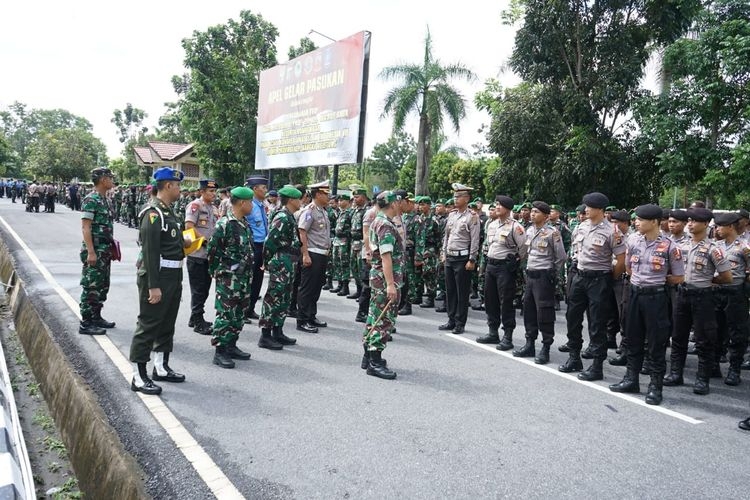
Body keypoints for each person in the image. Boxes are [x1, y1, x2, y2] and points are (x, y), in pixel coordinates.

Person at [609, 204, 685, 405]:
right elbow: (628, 267)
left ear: (654, 222)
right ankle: (631, 379)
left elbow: (678, 277)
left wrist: (654, 283)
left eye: (640, 220)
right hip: (634, 293)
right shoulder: (633, 240)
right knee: (632, 337)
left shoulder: (669, 246)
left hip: (656, 297)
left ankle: (655, 387)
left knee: (656, 342)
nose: (636, 222)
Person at [129, 167, 192, 395]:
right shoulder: (153, 213)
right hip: (158, 275)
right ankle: (138, 375)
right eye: (177, 185)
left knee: (166, 323)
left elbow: (171, 242)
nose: (180, 190)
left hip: (173, 274)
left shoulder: (169, 212)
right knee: (149, 324)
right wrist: (153, 286)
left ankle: (161, 366)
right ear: (167, 186)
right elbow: (150, 252)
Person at [664, 207, 732, 395]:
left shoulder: (713, 248)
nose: (690, 224)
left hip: (703, 297)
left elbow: (727, 277)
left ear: (705, 224)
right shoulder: (680, 246)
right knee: (678, 336)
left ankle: (702, 379)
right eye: (689, 221)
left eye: (694, 221)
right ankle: (675, 374)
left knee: (704, 340)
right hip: (682, 294)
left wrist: (710, 280)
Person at [559, 192, 626, 381]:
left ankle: (597, 366)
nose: (585, 210)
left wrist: (608, 278)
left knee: (597, 324)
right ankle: (574, 357)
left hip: (599, 279)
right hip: (580, 277)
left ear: (600, 209)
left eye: (589, 207)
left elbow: (621, 260)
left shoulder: (612, 231)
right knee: (572, 318)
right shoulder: (581, 227)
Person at [206, 186, 255, 368]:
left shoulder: (243, 223)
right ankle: (220, 351)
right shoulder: (225, 224)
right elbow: (212, 251)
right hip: (229, 278)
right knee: (226, 314)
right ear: (242, 203)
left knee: (239, 313)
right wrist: (218, 273)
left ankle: (231, 345)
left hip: (243, 278)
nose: (252, 206)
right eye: (250, 202)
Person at [513, 201, 566, 364]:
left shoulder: (552, 233)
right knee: (528, 310)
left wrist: (551, 273)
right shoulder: (529, 230)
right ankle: (529, 343)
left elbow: (561, 257)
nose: (532, 214)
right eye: (532, 211)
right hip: (530, 275)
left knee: (544, 313)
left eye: (536, 212)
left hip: (544, 276)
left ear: (545, 215)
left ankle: (546, 347)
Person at [362, 191, 402, 380]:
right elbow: (386, 257)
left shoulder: (377, 220)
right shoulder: (385, 225)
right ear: (392, 204)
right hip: (384, 278)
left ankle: (368, 355)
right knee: (384, 319)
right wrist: (391, 285)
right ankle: (374, 362)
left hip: (377, 277)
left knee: (374, 315)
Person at [476, 196, 526, 346]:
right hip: (491, 265)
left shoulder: (515, 227)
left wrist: (516, 260)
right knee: (490, 299)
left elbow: (524, 247)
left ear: (508, 209)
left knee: (506, 302)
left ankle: (508, 336)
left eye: (500, 205)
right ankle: (493, 332)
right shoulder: (491, 225)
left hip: (505, 267)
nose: (497, 207)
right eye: (496, 204)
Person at [258, 185, 303, 348]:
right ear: (291, 200)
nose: (301, 202)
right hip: (281, 261)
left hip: (289, 261)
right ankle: (265, 334)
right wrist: (268, 261)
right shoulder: (282, 217)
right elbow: (270, 242)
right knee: (274, 298)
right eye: (298, 199)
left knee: (284, 298)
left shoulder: (290, 216)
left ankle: (278, 330)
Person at [711, 212, 749, 386]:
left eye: (720, 226)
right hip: (716, 291)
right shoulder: (715, 245)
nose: (716, 229)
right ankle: (715, 364)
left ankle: (734, 369)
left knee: (736, 332)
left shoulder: (744, 247)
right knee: (716, 330)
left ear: (731, 227)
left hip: (735, 293)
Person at [78, 168, 117, 335]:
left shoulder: (106, 200)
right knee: (91, 285)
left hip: (105, 250)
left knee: (102, 285)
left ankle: (96, 316)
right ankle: (86, 323)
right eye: (110, 177)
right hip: (95, 250)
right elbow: (85, 227)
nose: (112, 180)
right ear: (102, 180)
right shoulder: (91, 199)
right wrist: (91, 252)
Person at [439, 183, 480, 335]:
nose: (455, 199)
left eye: (459, 196)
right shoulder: (452, 215)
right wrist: (443, 253)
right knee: (450, 291)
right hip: (450, 256)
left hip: (463, 258)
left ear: (467, 198)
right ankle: (451, 319)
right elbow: (446, 236)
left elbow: (475, 239)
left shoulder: (472, 217)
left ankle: (460, 322)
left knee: (461, 292)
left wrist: (472, 259)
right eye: (454, 196)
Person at [184, 179, 219, 335]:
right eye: (210, 191)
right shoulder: (195, 206)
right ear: (202, 191)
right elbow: (189, 227)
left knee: (204, 289)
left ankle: (194, 317)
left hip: (208, 256)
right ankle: (198, 321)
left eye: (214, 191)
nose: (213, 194)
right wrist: (204, 240)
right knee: (198, 290)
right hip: (197, 254)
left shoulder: (213, 208)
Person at [296, 180, 332, 333]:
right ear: (317, 194)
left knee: (316, 287)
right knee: (307, 288)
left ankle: (311, 315)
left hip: (322, 253)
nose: (328, 196)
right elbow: (302, 231)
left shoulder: (322, 210)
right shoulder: (309, 210)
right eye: (326, 193)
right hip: (312, 252)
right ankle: (302, 319)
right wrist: (305, 254)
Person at [244, 175, 270, 321]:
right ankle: (244, 309)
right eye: (263, 188)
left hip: (262, 246)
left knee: (258, 279)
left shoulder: (260, 205)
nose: (266, 190)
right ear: (255, 189)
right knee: (250, 279)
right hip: (253, 245)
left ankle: (251, 308)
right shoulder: (249, 205)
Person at [416, 196, 441, 308]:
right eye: (420, 205)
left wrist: (438, 252)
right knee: (419, 273)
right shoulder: (419, 219)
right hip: (420, 249)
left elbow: (439, 237)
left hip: (430, 250)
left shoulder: (434, 221)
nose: (421, 207)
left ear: (429, 206)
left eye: (423, 205)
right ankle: (418, 294)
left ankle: (431, 297)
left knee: (429, 273)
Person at [348, 186, 369, 301]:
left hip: (361, 242)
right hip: (353, 242)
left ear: (364, 197)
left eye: (357, 197)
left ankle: (363, 291)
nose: (355, 199)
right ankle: (358, 289)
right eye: (354, 197)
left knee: (362, 268)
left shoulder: (367, 211)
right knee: (354, 267)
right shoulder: (355, 211)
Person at [330, 193, 353, 296]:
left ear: (348, 202)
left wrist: (345, 234)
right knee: (337, 263)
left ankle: (345, 286)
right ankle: (339, 285)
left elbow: (351, 229)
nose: (339, 202)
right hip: (337, 241)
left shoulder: (349, 213)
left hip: (344, 241)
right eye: (339, 201)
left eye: (342, 200)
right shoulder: (340, 213)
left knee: (344, 264)